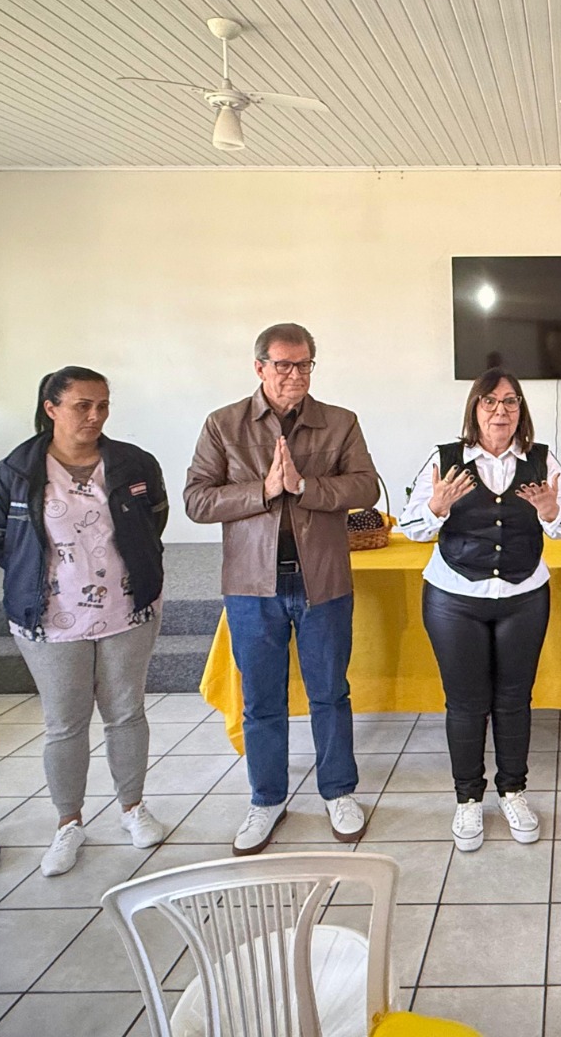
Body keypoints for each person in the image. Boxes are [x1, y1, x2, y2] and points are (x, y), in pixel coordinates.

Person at [185, 323, 378, 855]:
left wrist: (305, 487)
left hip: (323, 580)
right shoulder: (223, 425)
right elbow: (197, 501)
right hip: (252, 586)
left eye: (304, 365)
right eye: (283, 365)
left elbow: (366, 485)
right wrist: (265, 490)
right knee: (262, 700)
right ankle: (266, 799)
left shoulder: (339, 423)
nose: (294, 375)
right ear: (259, 368)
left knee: (330, 693)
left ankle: (339, 791)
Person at [0, 367, 170, 877]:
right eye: (83, 405)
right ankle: (69, 822)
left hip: (127, 608)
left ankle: (133, 807)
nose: (95, 415)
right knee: (64, 723)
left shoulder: (133, 463)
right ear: (51, 408)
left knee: (126, 711)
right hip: (50, 618)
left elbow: (155, 519)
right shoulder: (14, 472)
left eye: (103, 405)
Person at [400, 370, 561, 851]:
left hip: (524, 597)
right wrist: (436, 507)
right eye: (490, 401)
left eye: (511, 402)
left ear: (521, 411)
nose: (501, 411)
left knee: (515, 700)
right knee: (465, 702)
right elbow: (413, 526)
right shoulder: (445, 460)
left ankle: (514, 791)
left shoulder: (542, 460)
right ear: (474, 409)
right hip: (454, 598)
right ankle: (467, 800)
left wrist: (548, 513)